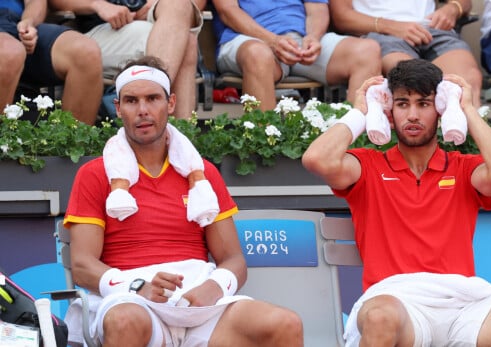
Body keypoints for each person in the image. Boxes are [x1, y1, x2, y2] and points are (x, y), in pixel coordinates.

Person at [302, 59, 491, 346]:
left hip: (465, 303)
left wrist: (466, 109)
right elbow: (317, 159)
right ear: (389, 112)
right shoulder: (368, 165)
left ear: (441, 110)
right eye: (403, 103)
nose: (413, 115)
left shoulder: (462, 167)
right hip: (397, 301)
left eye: (424, 103)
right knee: (380, 318)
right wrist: (360, 111)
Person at [62, 56, 304, 347]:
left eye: (152, 98)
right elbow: (83, 265)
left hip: (198, 299)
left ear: (171, 103)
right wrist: (138, 287)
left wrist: (214, 287)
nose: (143, 110)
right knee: (125, 320)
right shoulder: (94, 174)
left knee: (284, 324)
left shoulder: (203, 172)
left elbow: (234, 260)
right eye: (131, 100)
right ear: (118, 109)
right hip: (132, 298)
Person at [211, 0, 382, 111]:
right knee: (258, 55)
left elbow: (317, 9)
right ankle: (263, 152)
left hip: (300, 38)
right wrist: (272, 40)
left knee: (368, 51)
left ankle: (353, 150)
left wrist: (313, 37)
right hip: (246, 39)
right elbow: (228, 11)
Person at [49, 0, 204, 119]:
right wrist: (98, 4)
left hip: (155, 22)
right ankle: (174, 133)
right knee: (185, 42)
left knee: (180, 5)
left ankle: (172, 131)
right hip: (100, 32)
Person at [328, 0, 483, 107]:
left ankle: (465, 149)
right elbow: (341, 17)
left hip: (432, 27)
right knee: (411, 79)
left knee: (467, 81)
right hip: (380, 32)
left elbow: (465, 2)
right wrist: (392, 26)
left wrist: (452, 9)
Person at [1, 0, 102, 124]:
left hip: (14, 22)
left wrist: (28, 22)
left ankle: (71, 141)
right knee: (8, 51)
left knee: (86, 53)